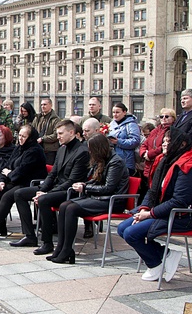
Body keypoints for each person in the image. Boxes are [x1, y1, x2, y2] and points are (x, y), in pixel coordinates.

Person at [118, 128, 192, 281]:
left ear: (182, 144)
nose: (163, 144)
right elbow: (152, 191)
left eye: (168, 141)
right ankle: (166, 254)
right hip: (163, 210)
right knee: (122, 228)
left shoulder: (188, 167)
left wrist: (149, 214)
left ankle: (155, 264)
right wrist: (144, 209)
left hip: (181, 216)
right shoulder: (165, 160)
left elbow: (179, 201)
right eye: (163, 141)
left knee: (131, 234)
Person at [49, 134, 130, 263]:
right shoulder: (102, 160)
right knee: (64, 205)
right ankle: (61, 247)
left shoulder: (116, 162)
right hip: (100, 198)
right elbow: (95, 181)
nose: (90, 152)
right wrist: (84, 184)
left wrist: (85, 188)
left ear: (98, 149)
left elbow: (108, 188)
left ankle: (67, 250)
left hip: (112, 201)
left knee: (71, 209)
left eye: (91, 149)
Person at [12, 120, 90, 254]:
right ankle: (30, 236)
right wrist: (42, 189)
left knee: (44, 200)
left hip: (70, 191)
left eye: (60, 133)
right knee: (19, 194)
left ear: (71, 132)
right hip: (56, 187)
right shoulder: (62, 149)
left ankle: (47, 242)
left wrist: (47, 194)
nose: (58, 137)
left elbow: (72, 181)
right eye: (57, 134)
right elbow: (52, 174)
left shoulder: (82, 152)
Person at [0, 125, 47, 241]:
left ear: (30, 138)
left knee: (8, 196)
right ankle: (0, 227)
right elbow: (7, 166)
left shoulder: (34, 150)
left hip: (28, 183)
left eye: (24, 136)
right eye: (19, 135)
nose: (20, 138)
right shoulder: (19, 148)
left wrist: (10, 174)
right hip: (15, 180)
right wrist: (2, 181)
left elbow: (22, 171)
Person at [139, 108, 174, 195]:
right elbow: (144, 144)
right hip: (148, 164)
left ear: (173, 118)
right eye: (161, 116)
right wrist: (144, 153)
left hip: (159, 163)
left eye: (167, 116)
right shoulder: (155, 130)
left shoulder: (172, 131)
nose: (164, 118)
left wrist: (150, 154)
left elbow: (164, 146)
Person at [107, 102, 141, 176]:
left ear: (124, 112)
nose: (115, 115)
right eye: (113, 112)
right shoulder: (111, 124)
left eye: (117, 112)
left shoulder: (131, 124)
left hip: (126, 161)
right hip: (112, 158)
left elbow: (135, 141)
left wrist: (118, 141)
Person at [32, 98, 60, 165]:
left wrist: (43, 139)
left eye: (45, 104)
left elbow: (56, 135)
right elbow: (32, 130)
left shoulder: (56, 120)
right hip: (37, 148)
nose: (42, 106)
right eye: (41, 105)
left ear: (50, 105)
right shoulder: (37, 118)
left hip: (49, 150)